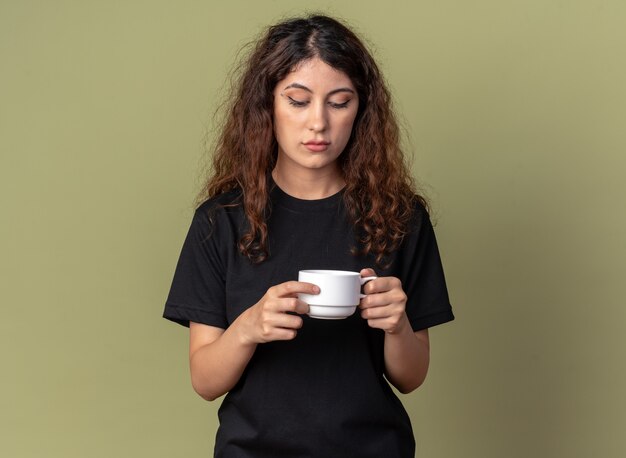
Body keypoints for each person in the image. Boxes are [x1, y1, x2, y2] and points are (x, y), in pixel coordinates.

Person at [163, 14, 454, 458]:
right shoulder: (219, 221)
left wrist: (398, 325)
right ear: (267, 106)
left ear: (361, 111)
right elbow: (204, 381)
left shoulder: (401, 217)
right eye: (297, 101)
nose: (318, 122)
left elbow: (410, 377)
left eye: (339, 102)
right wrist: (249, 327)